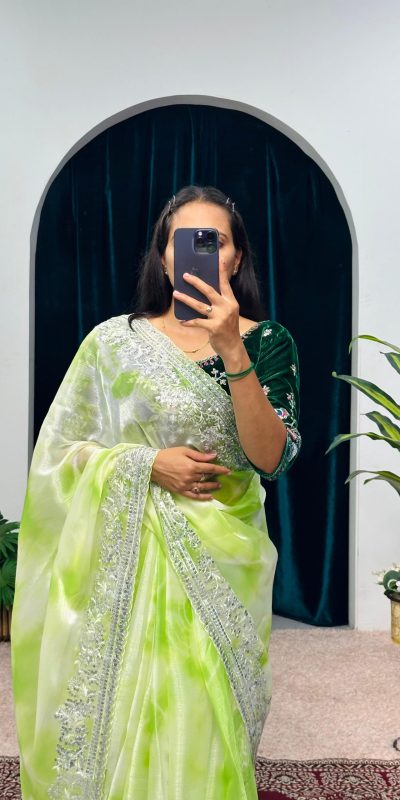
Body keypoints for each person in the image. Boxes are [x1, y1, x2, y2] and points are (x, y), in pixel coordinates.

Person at [11, 185, 301, 800]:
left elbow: (271, 458)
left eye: (215, 241)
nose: (199, 252)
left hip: (225, 562)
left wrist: (232, 348)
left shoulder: (268, 342)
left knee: (206, 714)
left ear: (236, 259)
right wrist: (145, 464)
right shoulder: (111, 343)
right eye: (184, 240)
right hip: (125, 565)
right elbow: (59, 453)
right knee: (125, 714)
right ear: (164, 258)